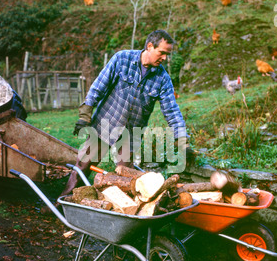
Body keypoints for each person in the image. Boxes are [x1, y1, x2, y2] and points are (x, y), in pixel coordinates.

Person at [61, 29, 194, 196]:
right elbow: (98, 86)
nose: (165, 58)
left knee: (126, 178)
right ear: (150, 46)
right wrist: (85, 115)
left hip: (130, 135)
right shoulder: (122, 59)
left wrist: (181, 138)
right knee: (82, 167)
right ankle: (62, 202)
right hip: (105, 124)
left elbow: (171, 110)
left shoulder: (163, 78)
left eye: (167, 54)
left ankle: (118, 211)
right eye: (162, 53)